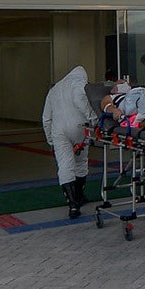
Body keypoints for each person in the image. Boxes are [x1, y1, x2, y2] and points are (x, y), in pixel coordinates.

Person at [42, 65, 96, 219]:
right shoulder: (79, 82)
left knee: (65, 165)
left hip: (58, 130)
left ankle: (72, 205)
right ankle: (79, 196)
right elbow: (81, 100)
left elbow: (46, 118)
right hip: (79, 127)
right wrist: (94, 119)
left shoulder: (54, 90)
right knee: (81, 161)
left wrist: (51, 140)